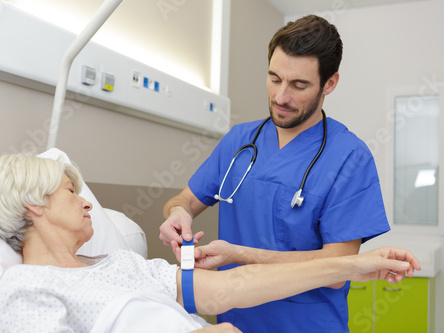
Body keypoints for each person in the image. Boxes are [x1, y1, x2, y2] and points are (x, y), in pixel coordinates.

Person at [0, 154, 418, 332]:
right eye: (70, 193)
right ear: (33, 205)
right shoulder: (24, 289)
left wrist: (353, 266)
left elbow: (230, 288)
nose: (87, 204)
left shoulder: (121, 264)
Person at [160, 14, 391, 332]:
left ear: (330, 83)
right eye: (274, 78)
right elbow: (184, 199)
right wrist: (177, 214)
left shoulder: (350, 156)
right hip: (235, 323)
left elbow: (338, 270)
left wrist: (237, 254)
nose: (281, 97)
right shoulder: (239, 142)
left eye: (299, 85)